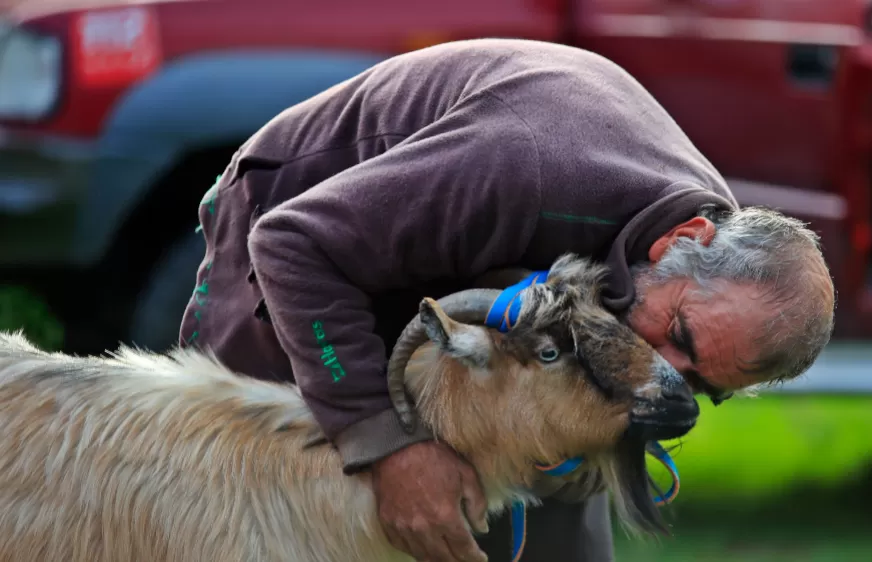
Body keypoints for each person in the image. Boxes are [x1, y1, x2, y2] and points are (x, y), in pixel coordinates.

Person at [178, 38, 836, 562]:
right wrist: (384, 443)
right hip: (298, 239)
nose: (662, 376)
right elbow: (294, 244)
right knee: (256, 517)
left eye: (698, 384)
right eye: (678, 339)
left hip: (458, 277)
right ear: (681, 240)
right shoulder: (532, 168)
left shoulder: (696, 264)